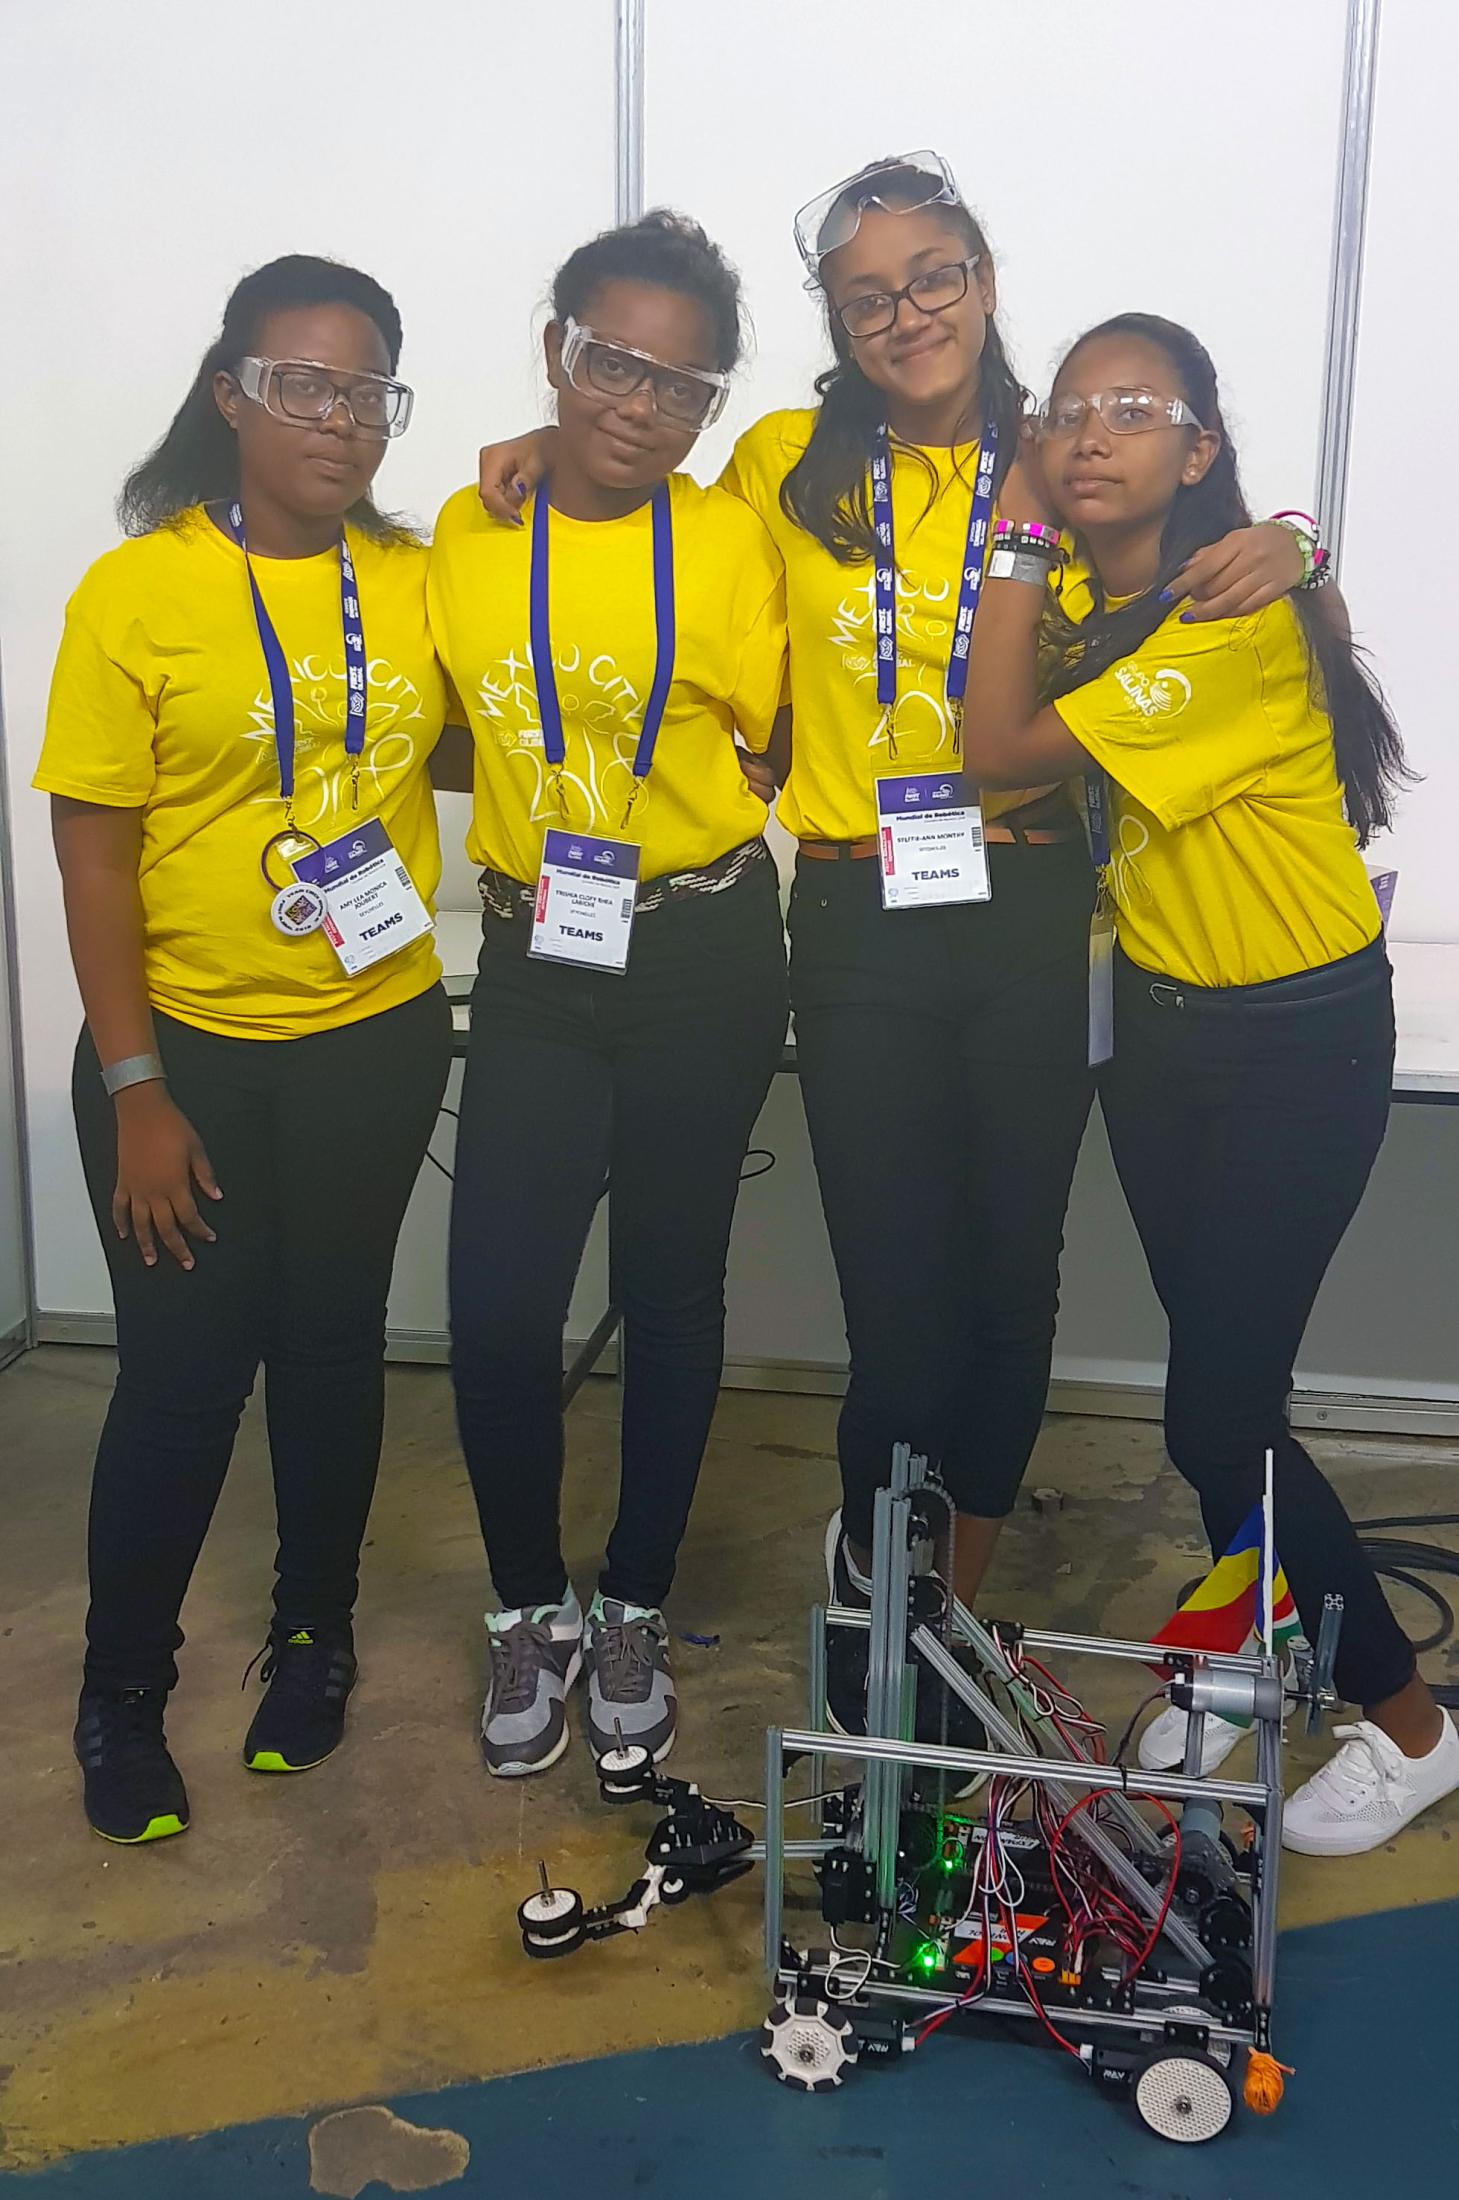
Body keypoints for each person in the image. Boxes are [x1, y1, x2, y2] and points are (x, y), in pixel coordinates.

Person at [476, 156, 1306, 1736]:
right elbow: (625, 508)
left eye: (933, 278)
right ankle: (879, 1606)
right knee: (902, 1314)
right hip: (859, 915)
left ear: (983, 277)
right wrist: (546, 442)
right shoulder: (786, 461)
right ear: (837, 324)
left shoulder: (1057, 453)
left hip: (1031, 903)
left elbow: (1208, 525)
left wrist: (1305, 539)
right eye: (868, 296)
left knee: (1014, 1283)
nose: (905, 313)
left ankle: (957, 1611)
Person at [959, 310, 1459, 1855]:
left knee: (1215, 1410)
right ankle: (1257, 1634)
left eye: (1136, 407)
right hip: (1164, 1039)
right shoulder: (1151, 606)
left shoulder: (1232, 620)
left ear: (1200, 447)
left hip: (1292, 1040)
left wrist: (1020, 540)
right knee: (1217, 1394)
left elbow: (995, 745)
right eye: (1069, 408)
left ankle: (1410, 1724)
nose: (1094, 428)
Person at [37, 255, 459, 1843]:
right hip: (188, 1055)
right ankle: (122, 1691)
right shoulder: (136, 590)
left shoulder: (413, 578)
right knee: (179, 1381)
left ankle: (313, 1640)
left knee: (334, 1347)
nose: (341, 421)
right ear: (231, 392)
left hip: (373, 1035)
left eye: (370, 392)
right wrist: (138, 1088)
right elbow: (93, 857)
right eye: (305, 385)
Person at [427, 213, 789, 1777]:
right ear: (557, 350)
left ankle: (632, 1595)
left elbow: (771, 740)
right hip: (540, 956)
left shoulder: (734, 537)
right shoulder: (466, 525)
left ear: (712, 404)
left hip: (703, 946)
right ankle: (528, 1606)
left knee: (672, 1284)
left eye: (681, 383)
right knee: (500, 1302)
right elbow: (446, 727)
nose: (640, 406)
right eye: (611, 363)